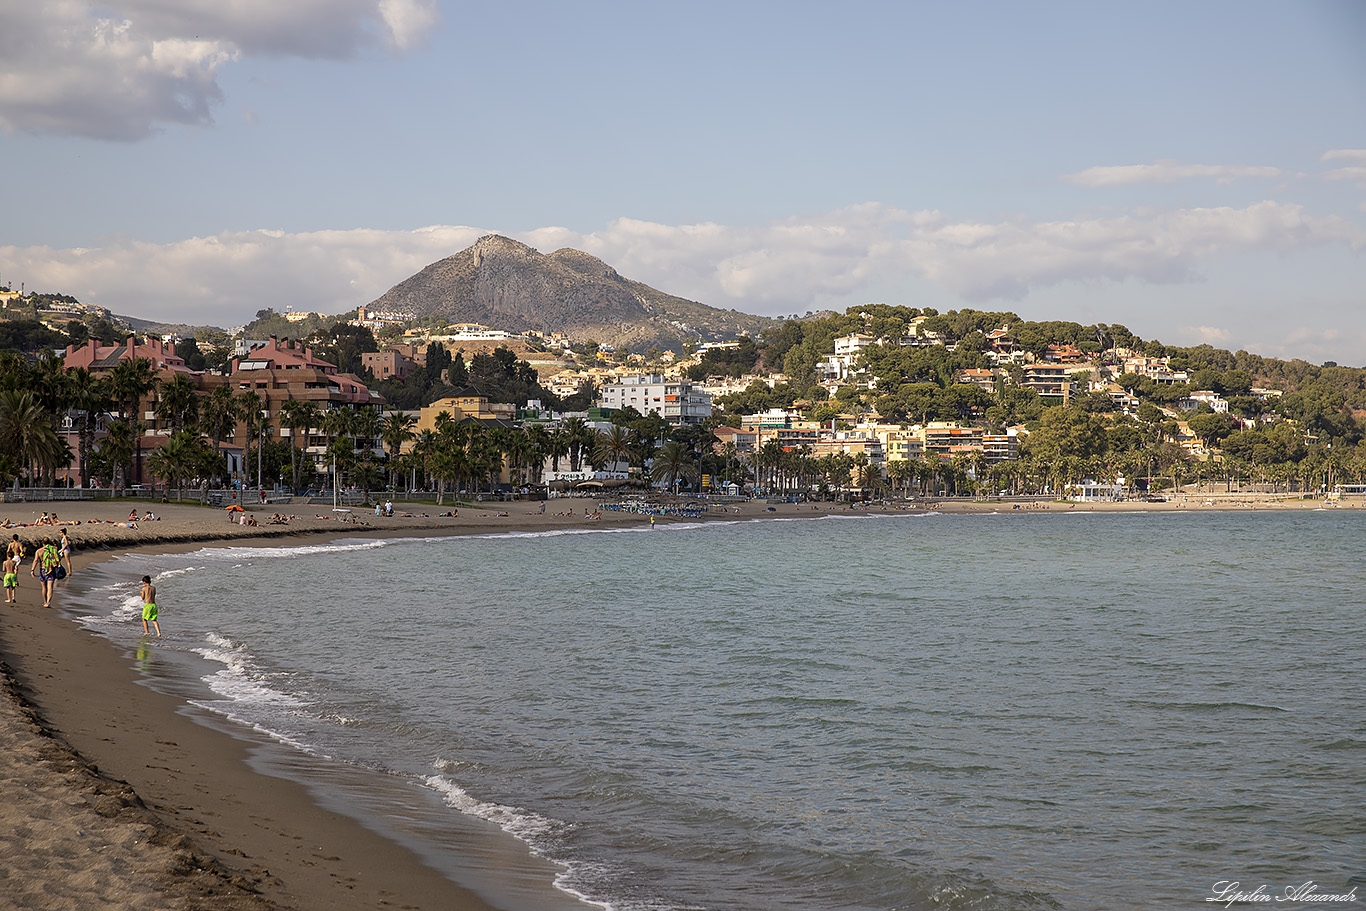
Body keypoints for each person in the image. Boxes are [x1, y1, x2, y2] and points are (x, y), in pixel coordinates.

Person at [30, 539, 65, 607]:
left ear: (42, 543)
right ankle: (48, 602)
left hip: (42, 570)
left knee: (44, 587)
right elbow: (57, 559)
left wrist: (32, 570)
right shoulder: (53, 550)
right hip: (50, 570)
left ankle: (45, 601)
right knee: (50, 587)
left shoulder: (39, 551)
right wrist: (61, 557)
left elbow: (35, 560)